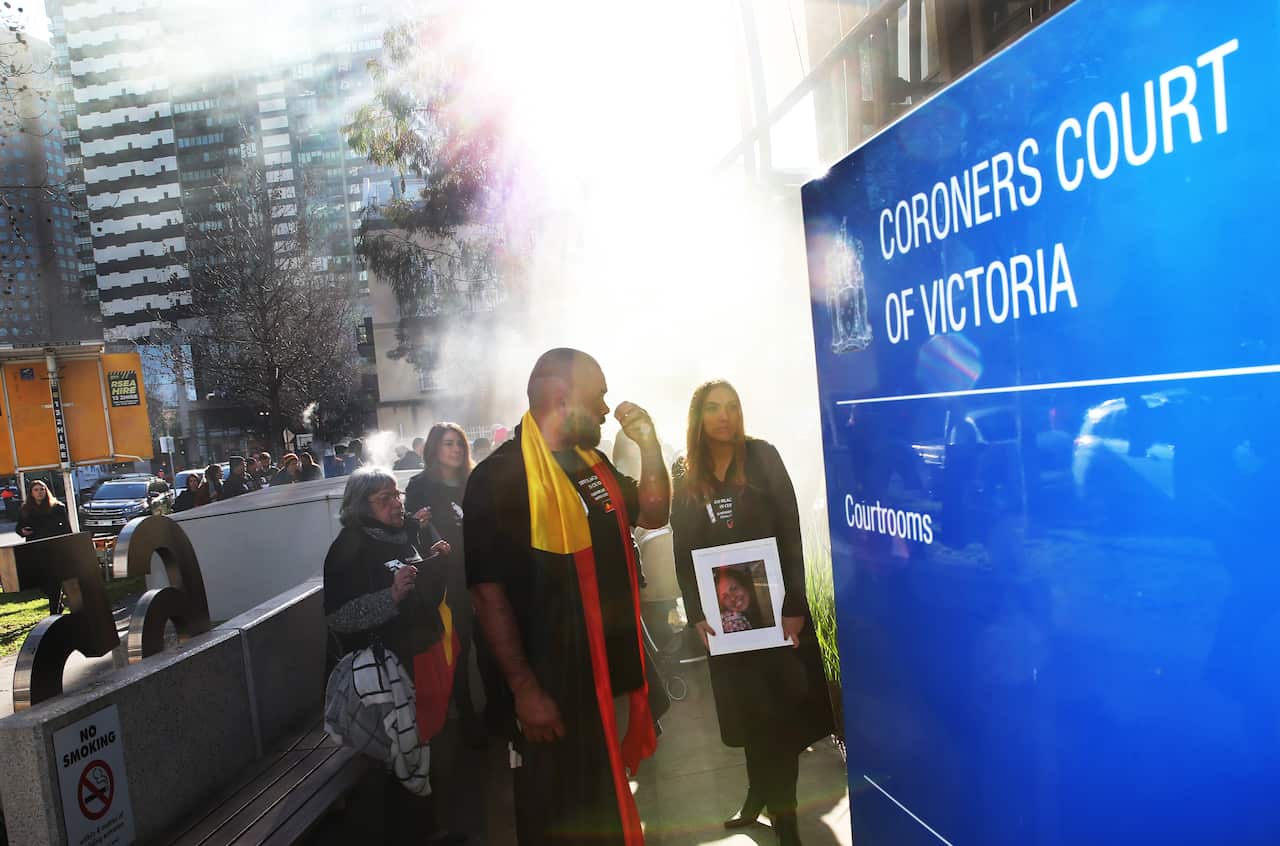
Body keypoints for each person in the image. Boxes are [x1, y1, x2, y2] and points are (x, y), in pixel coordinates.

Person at [465, 348, 669, 846]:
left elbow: (654, 513)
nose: (605, 409)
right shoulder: (498, 477)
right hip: (551, 692)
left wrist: (650, 446)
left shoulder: (592, 464)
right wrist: (524, 689)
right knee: (561, 821)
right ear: (562, 397)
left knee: (606, 809)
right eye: (597, 396)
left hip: (609, 678)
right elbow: (488, 595)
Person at [670, 380, 833, 846]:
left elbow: (791, 531)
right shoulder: (685, 471)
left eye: (732, 407)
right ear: (698, 416)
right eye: (713, 408)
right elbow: (683, 548)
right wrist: (696, 611)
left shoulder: (763, 456)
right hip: (726, 620)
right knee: (749, 716)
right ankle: (757, 794)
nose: (724, 416)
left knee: (779, 718)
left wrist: (795, 605)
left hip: (776, 615)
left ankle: (787, 818)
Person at [322, 467, 462, 843]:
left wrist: (434, 561)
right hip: (387, 676)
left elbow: (418, 585)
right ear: (360, 506)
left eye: (396, 495)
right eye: (384, 499)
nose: (397, 504)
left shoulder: (402, 535)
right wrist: (391, 596)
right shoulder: (348, 548)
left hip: (421, 656)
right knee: (398, 757)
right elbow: (339, 617)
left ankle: (430, 827)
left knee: (423, 746)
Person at [405, 422, 482, 743]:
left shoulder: (475, 480)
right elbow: (410, 537)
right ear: (434, 449)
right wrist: (418, 525)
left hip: (482, 574)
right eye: (449, 443)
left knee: (490, 645)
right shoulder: (420, 486)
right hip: (448, 582)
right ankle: (465, 716)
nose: (456, 449)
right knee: (458, 648)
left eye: (460, 443)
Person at [17, 479, 73, 614]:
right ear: (31, 493)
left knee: (54, 581)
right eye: (36, 490)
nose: (39, 492)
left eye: (42, 489)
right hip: (36, 549)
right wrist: (22, 531)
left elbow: (66, 528)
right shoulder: (26, 509)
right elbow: (19, 527)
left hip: (54, 549)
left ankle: (54, 610)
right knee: (42, 582)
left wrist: (68, 545)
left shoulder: (57, 507)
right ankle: (57, 605)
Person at [716, 566, 764, 633]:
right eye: (725, 597)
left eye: (734, 589)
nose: (732, 598)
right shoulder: (732, 621)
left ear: (744, 585)